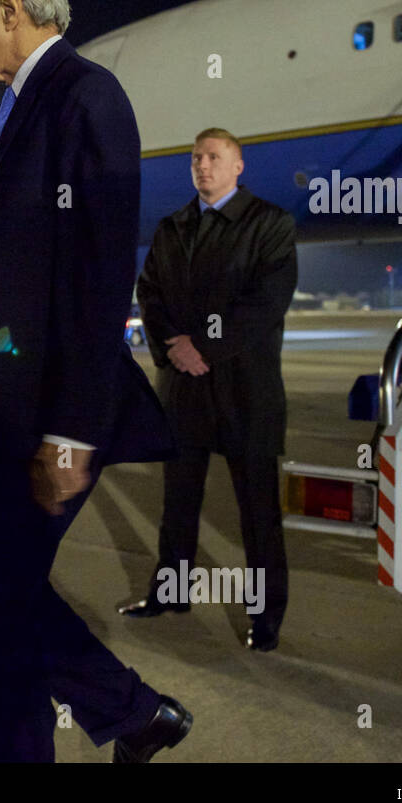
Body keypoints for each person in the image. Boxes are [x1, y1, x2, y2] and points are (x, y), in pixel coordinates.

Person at [0, 0, 188, 763]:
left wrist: (71, 431)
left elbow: (98, 276)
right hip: (5, 415)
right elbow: (23, 271)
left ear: (11, 9)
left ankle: (132, 711)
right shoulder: (23, 106)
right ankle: (132, 714)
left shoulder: (86, 97)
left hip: (47, 422)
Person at [122, 128, 297, 652]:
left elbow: (267, 303)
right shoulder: (172, 227)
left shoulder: (270, 224)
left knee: (258, 514)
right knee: (177, 505)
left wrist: (202, 348)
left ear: (238, 166)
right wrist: (173, 347)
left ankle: (265, 620)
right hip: (185, 392)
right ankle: (169, 593)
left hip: (247, 392)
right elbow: (149, 294)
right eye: (196, 158)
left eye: (214, 157)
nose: (203, 166)